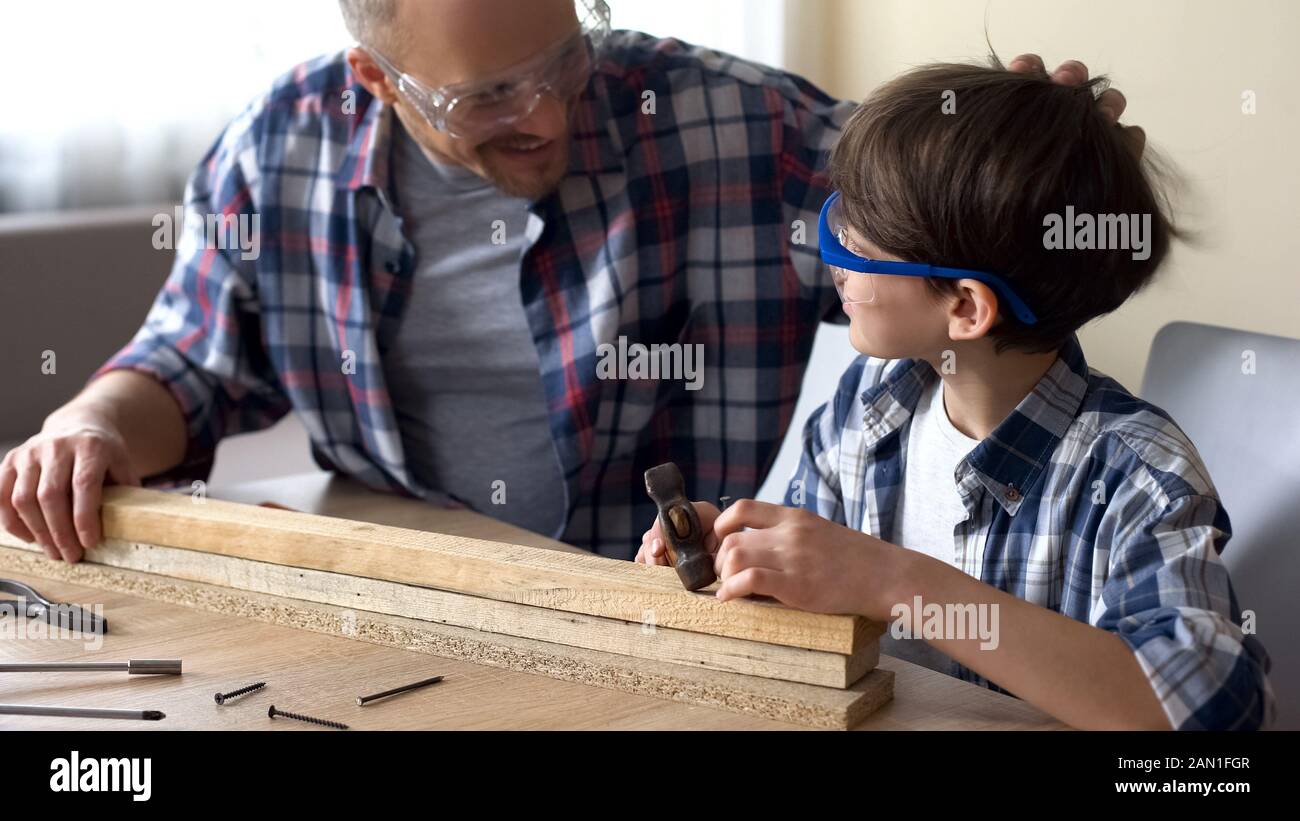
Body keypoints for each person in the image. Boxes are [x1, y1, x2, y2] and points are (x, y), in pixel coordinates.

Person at [0, 0, 1133, 564]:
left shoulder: (726, 123)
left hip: (662, 609)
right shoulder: (277, 146)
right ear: (374, 79)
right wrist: (90, 422)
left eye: (560, 59)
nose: (543, 115)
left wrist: (1020, 165)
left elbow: (944, 241)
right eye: (486, 98)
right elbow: (193, 363)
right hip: (402, 582)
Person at [637, 58, 1272, 730]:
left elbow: (1212, 713)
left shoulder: (1133, 472)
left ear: (966, 309)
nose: (835, 245)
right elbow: (812, 588)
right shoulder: (869, 406)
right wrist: (739, 552)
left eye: (860, 231)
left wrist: (896, 581)